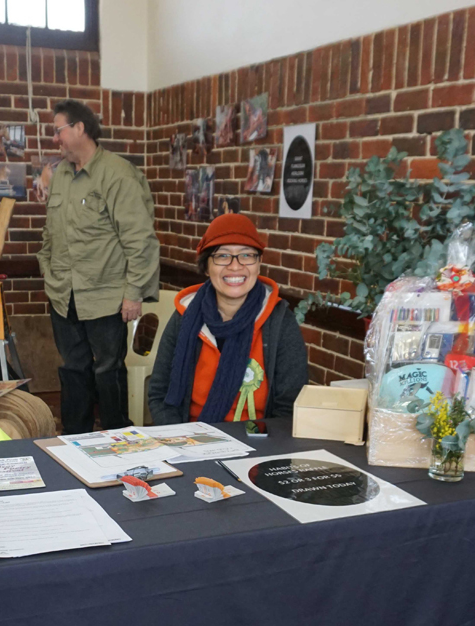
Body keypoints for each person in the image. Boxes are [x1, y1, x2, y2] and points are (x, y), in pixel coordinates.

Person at [38, 99, 160, 434]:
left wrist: (134, 294)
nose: (55, 139)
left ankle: (117, 439)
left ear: (79, 128)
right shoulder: (61, 174)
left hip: (107, 296)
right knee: (72, 368)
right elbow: (51, 231)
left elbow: (140, 240)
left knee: (108, 370)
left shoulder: (118, 174)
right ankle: (74, 440)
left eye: (58, 130)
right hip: (65, 294)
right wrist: (48, 271)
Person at [147, 213, 308, 426]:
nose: (235, 266)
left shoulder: (279, 322)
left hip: (257, 441)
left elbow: (289, 407)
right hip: (189, 437)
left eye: (246, 255)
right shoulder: (184, 317)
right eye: (222, 256)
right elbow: (160, 395)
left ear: (259, 264)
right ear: (206, 267)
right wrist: (181, 441)